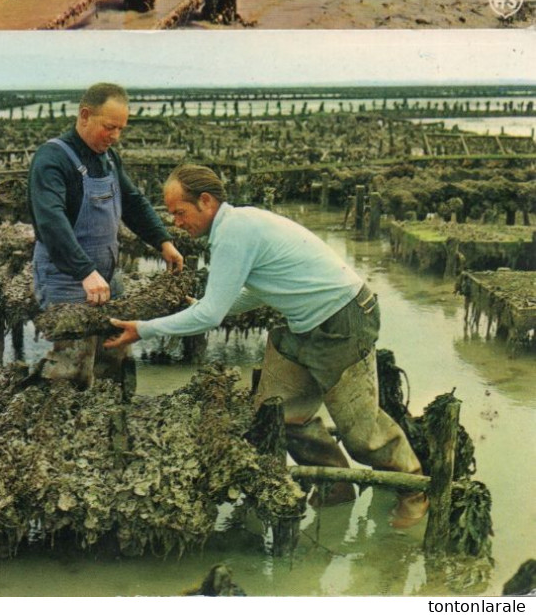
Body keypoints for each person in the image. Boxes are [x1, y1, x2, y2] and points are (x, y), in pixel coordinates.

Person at [106, 164, 428, 529]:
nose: (176, 223)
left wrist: (143, 329)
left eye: (180, 212)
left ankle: (414, 490)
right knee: (283, 414)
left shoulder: (233, 234)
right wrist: (204, 306)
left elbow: (211, 318)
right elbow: (256, 291)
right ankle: (335, 486)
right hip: (301, 323)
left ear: (206, 201)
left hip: (343, 319)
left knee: (361, 434)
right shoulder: (238, 224)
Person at [28, 82, 184, 388]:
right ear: (85, 115)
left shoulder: (109, 158)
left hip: (107, 277)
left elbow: (134, 202)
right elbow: (51, 222)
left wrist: (163, 242)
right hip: (66, 277)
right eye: (109, 127)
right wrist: (84, 271)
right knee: (73, 365)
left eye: (121, 129)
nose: (115, 137)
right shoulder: (52, 159)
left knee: (115, 354)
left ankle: (113, 421)